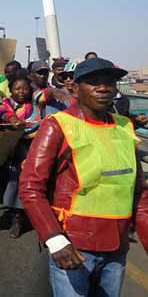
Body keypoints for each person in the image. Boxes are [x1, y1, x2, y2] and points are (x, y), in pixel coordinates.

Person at [19, 57, 148, 296]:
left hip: (116, 248)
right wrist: (55, 240)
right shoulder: (57, 125)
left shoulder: (124, 127)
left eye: (110, 82)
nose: (104, 87)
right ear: (76, 89)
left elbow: (139, 194)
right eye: (93, 81)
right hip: (74, 247)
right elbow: (30, 187)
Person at [0, 69, 49, 238]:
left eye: (25, 88)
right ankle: (15, 216)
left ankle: (26, 215)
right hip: (13, 147)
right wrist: (14, 121)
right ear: (11, 90)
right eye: (17, 88)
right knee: (14, 181)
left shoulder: (37, 103)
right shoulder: (5, 104)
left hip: (35, 146)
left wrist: (55, 90)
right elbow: (5, 114)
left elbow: (48, 93)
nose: (21, 92)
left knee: (32, 182)